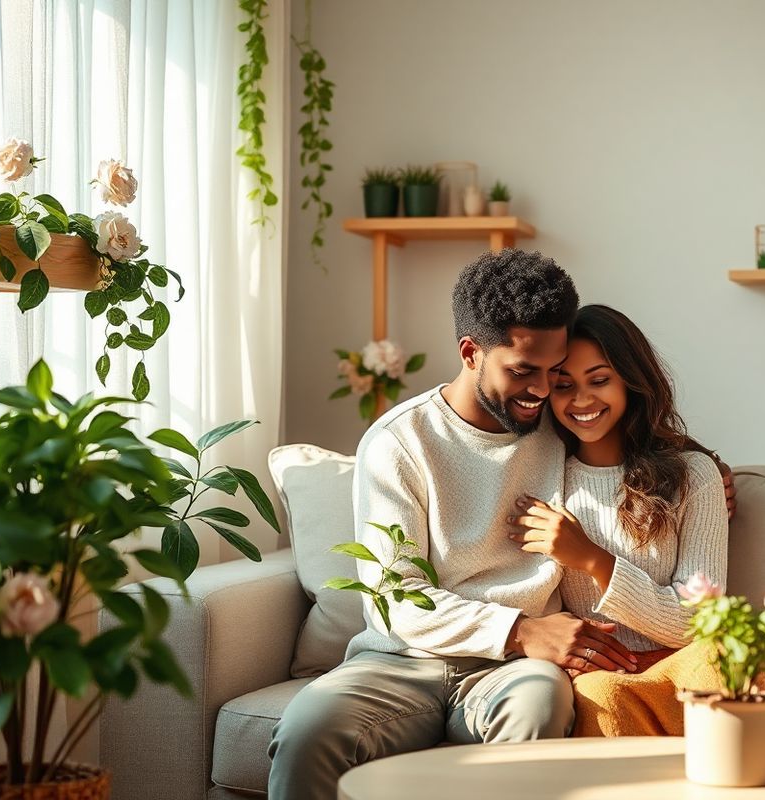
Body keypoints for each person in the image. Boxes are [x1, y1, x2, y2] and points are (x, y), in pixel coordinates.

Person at [268, 252, 737, 798]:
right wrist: (518, 629)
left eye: (552, 371)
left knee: (539, 705)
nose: (543, 390)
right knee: (306, 732)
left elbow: (628, 447)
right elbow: (394, 598)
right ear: (471, 353)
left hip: (518, 672)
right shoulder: (399, 442)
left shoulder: (556, 424)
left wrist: (708, 475)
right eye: (523, 372)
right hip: (404, 661)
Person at [507, 304, 765, 737]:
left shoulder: (694, 475)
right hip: (602, 676)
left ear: (630, 381)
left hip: (685, 663)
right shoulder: (541, 476)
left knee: (717, 657)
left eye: (600, 379)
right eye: (563, 384)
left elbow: (698, 621)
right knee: (599, 695)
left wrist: (591, 558)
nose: (582, 399)